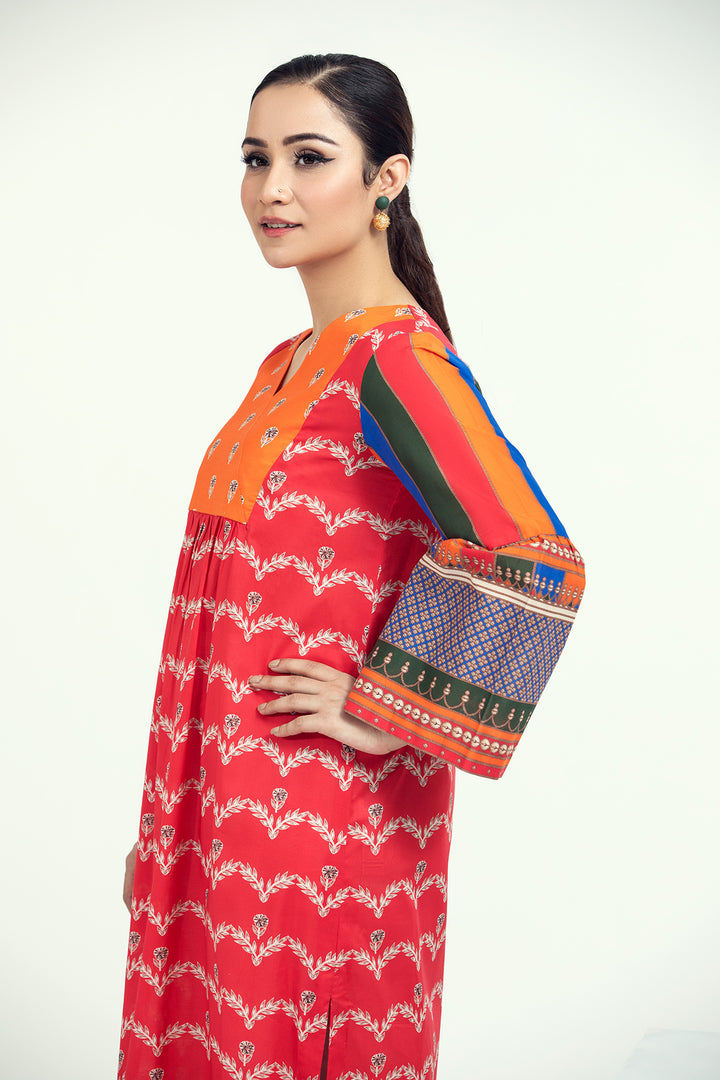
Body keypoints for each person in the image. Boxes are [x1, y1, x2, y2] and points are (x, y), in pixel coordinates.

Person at [119, 53, 585, 1080]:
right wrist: (173, 829)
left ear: (388, 177)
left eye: (309, 157)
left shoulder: (395, 361)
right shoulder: (288, 364)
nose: (272, 189)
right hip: (217, 820)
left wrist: (384, 710)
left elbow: (533, 558)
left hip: (324, 834)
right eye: (256, 158)